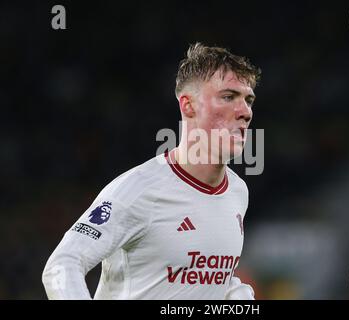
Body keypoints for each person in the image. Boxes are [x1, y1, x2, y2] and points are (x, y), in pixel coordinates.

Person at [42, 42, 261, 299]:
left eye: (248, 100)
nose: (245, 112)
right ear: (189, 106)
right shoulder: (138, 190)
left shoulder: (237, 191)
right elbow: (63, 264)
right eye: (228, 97)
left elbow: (207, 279)